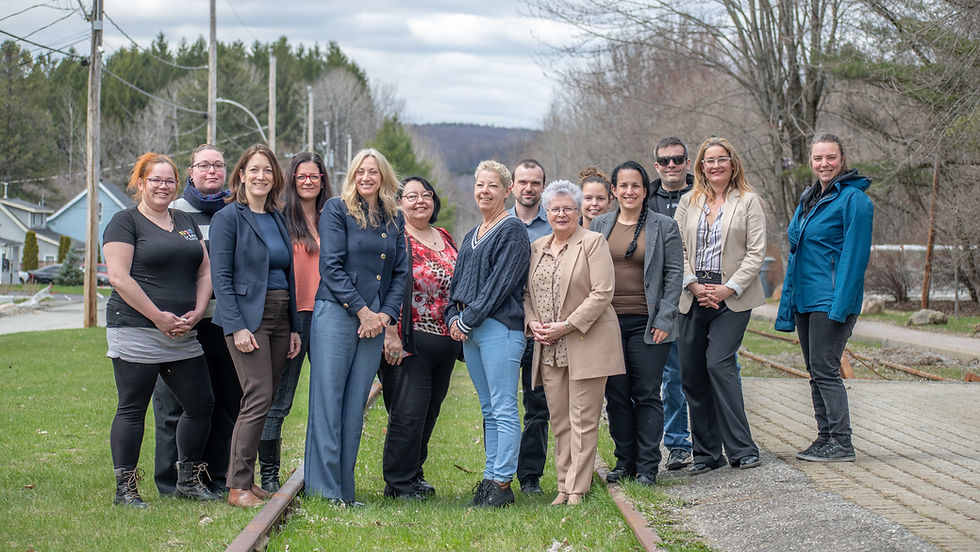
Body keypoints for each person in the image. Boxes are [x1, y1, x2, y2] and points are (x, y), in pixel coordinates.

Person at [103, 152, 219, 507]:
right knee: (133, 407)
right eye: (155, 180)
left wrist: (198, 311)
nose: (163, 186)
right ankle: (126, 490)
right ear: (141, 183)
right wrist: (157, 316)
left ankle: (187, 480)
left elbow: (205, 270)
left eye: (169, 180)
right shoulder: (124, 222)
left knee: (201, 404)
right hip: (136, 328)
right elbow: (119, 277)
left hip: (183, 332)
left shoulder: (185, 220)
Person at [304, 148, 408, 506]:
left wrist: (385, 315)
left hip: (375, 322)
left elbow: (400, 273)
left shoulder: (395, 218)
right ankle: (323, 490)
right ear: (352, 175)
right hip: (337, 313)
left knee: (353, 406)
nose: (366, 177)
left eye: (373, 171)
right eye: (360, 171)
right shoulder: (337, 209)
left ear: (384, 177)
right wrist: (363, 311)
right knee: (328, 401)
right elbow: (331, 267)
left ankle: (344, 492)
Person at [210, 144, 302, 507]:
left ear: (275, 177)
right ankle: (237, 487)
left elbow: (288, 274)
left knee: (266, 399)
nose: (261, 176)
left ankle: (248, 481)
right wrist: (237, 326)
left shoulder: (278, 218)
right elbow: (221, 277)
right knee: (258, 396)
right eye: (254, 170)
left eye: (267, 170)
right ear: (241, 175)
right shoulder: (228, 218)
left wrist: (293, 327)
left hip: (281, 316)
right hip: (248, 318)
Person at [523, 180, 624, 506]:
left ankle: (578, 489)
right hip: (549, 347)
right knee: (560, 421)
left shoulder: (593, 242)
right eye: (555, 209)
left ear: (578, 211)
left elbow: (602, 292)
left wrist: (565, 326)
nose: (561, 214)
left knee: (583, 420)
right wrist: (532, 323)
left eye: (568, 208)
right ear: (546, 212)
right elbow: (526, 295)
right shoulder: (537, 247)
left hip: (585, 341)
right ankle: (563, 486)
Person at [776, 133, 874, 462]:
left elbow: (855, 258)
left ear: (842, 159)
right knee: (815, 370)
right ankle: (825, 437)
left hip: (831, 299)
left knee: (825, 368)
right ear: (811, 161)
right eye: (818, 158)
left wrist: (840, 305)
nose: (824, 164)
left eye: (830, 157)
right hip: (806, 298)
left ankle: (842, 442)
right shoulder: (811, 198)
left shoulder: (855, 201)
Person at [152, 144, 240, 496]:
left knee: (224, 403)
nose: (211, 171)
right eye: (204, 165)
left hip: (225, 322)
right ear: (191, 172)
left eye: (218, 165)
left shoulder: (236, 211)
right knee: (174, 405)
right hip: (182, 323)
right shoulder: (172, 211)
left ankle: (215, 477)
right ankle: (169, 480)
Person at [674, 137, 764, 475]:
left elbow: (755, 253)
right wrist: (693, 284)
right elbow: (677, 248)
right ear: (700, 167)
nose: (715, 166)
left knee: (719, 364)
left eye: (721, 159)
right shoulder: (688, 201)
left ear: (732, 163)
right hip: (693, 294)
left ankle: (742, 449)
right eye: (709, 161)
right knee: (692, 373)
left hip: (732, 297)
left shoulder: (749, 202)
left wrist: (727, 289)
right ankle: (707, 454)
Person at [590, 161, 683, 486]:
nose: (629, 191)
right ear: (614, 191)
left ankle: (647, 466)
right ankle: (624, 461)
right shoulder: (599, 224)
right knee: (616, 394)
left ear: (645, 191)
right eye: (623, 186)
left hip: (649, 324)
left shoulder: (664, 226)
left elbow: (674, 274)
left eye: (636, 186)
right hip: (607, 324)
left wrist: (665, 318)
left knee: (646, 393)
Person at [446, 160, 530, 508]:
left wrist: (468, 318)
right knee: (488, 409)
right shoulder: (472, 235)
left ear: (507, 190)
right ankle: (489, 478)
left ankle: (503, 483)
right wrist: (453, 315)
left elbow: (500, 284)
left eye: (493, 185)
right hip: (472, 332)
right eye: (480, 185)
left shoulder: (513, 230)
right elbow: (457, 284)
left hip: (500, 329)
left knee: (504, 407)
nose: (485, 191)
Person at [378, 175, 460, 500]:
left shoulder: (444, 236)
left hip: (445, 342)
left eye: (426, 195)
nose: (420, 201)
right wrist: (390, 332)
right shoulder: (395, 238)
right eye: (411, 196)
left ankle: (414, 473)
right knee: (408, 413)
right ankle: (398, 483)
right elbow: (385, 287)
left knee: (429, 413)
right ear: (398, 203)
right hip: (408, 341)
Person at [257, 152, 331, 493]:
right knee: (279, 398)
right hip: (293, 314)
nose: (308, 181)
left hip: (330, 313)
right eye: (302, 176)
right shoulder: (279, 218)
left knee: (327, 397)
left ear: (323, 179)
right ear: (292, 179)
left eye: (314, 176)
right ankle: (269, 474)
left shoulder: (332, 217)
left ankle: (323, 472)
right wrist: (287, 322)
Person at [649, 137, 696, 471]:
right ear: (657, 166)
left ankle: (717, 438)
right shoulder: (646, 199)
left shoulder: (703, 194)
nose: (671, 166)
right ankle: (678, 444)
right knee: (673, 376)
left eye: (677, 160)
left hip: (702, 294)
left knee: (717, 370)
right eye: (665, 161)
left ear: (687, 163)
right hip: (663, 299)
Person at [507, 158, 551, 496]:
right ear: (512, 186)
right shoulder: (499, 223)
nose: (529, 188)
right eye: (523, 182)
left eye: (535, 182)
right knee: (500, 404)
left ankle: (530, 476)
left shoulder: (554, 225)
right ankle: (499, 472)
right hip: (505, 327)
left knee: (538, 406)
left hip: (541, 329)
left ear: (543, 187)